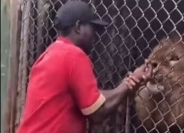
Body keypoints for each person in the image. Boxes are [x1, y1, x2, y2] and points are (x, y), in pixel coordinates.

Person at [17, 1, 153, 133]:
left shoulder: (50, 54)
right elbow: (97, 111)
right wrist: (128, 85)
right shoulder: (74, 55)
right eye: (92, 28)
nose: (95, 36)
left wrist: (129, 80)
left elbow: (91, 98)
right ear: (78, 27)